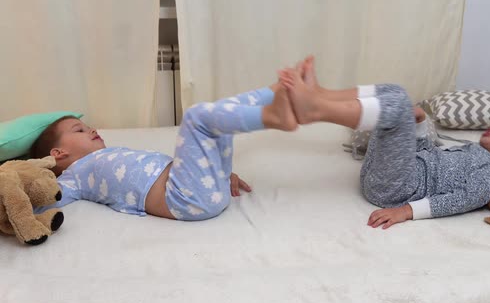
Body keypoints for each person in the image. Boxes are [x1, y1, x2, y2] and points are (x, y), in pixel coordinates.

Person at [278, 56, 490, 229]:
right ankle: (321, 95)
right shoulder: (472, 150)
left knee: (397, 105)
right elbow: (427, 157)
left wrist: (406, 212)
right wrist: (417, 127)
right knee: (396, 92)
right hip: (391, 173)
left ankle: (315, 110)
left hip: (398, 189)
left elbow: (461, 199)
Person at [31, 82, 298, 220]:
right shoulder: (74, 176)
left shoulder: (107, 155)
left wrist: (219, 173)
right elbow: (41, 200)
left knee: (216, 117)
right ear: (58, 153)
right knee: (196, 116)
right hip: (183, 199)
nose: (91, 130)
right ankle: (271, 112)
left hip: (202, 188)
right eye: (79, 130)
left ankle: (275, 92)